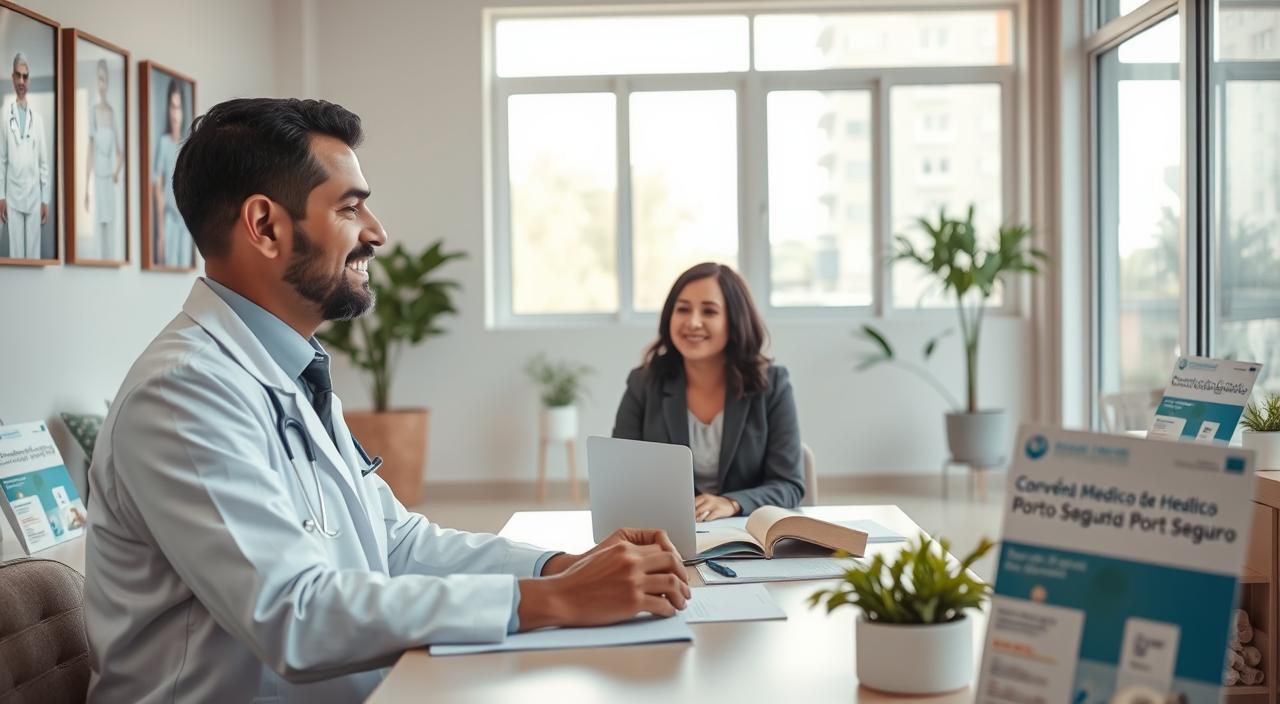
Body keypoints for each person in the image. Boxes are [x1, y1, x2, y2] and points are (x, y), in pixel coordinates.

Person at [85, 98, 689, 703]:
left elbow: (397, 544)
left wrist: (562, 567)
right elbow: (293, 614)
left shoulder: (289, 370)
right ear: (265, 226)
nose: (376, 233)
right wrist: (555, 600)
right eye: (350, 207)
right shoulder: (184, 392)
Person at [612, 262, 805, 520]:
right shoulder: (644, 383)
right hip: (666, 531)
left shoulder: (772, 384)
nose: (693, 322)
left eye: (709, 311)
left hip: (744, 532)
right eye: (683, 309)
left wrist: (732, 503)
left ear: (734, 321)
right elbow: (620, 477)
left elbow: (788, 485)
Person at [1, 52, 50, 259]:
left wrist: (45, 199)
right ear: (12, 77)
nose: (21, 81)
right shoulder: (4, 116)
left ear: (29, 79)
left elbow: (43, 164)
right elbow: (1, 160)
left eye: (25, 76)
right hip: (12, 195)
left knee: (33, 257)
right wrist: (1, 196)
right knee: (16, 255)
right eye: (18, 76)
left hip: (33, 196)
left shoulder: (37, 120)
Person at [85, 59, 123, 259]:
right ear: (96, 81)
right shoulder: (93, 112)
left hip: (108, 179)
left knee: (110, 226)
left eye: (105, 80)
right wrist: (86, 187)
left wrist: (116, 172)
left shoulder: (112, 112)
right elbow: (89, 151)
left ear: (108, 82)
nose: (102, 84)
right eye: (99, 79)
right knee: (98, 226)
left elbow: (120, 152)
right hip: (97, 179)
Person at [152, 78, 191, 267]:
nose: (175, 114)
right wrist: (160, 234)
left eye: (179, 108)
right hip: (169, 219)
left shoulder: (188, 146)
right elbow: (157, 186)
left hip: (185, 223)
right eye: (172, 107)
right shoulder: (164, 143)